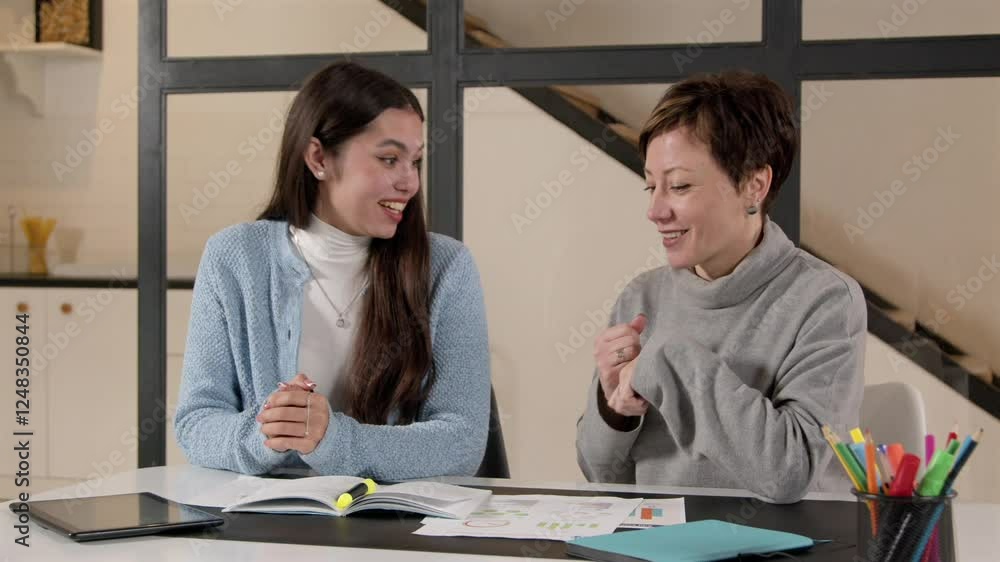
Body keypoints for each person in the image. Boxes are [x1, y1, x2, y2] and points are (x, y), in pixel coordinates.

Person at [175, 62, 491, 479]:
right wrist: (267, 431)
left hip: (393, 515)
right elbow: (196, 423)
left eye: (414, 161)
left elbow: (462, 441)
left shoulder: (446, 268)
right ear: (318, 157)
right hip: (266, 515)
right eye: (389, 159)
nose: (410, 182)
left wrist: (333, 439)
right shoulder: (234, 257)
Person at [575, 70, 866, 503]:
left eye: (679, 186)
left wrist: (669, 361)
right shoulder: (641, 297)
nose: (655, 210)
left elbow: (790, 474)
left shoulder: (826, 300)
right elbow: (600, 475)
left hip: (780, 538)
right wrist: (615, 409)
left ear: (754, 186)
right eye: (651, 186)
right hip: (659, 536)